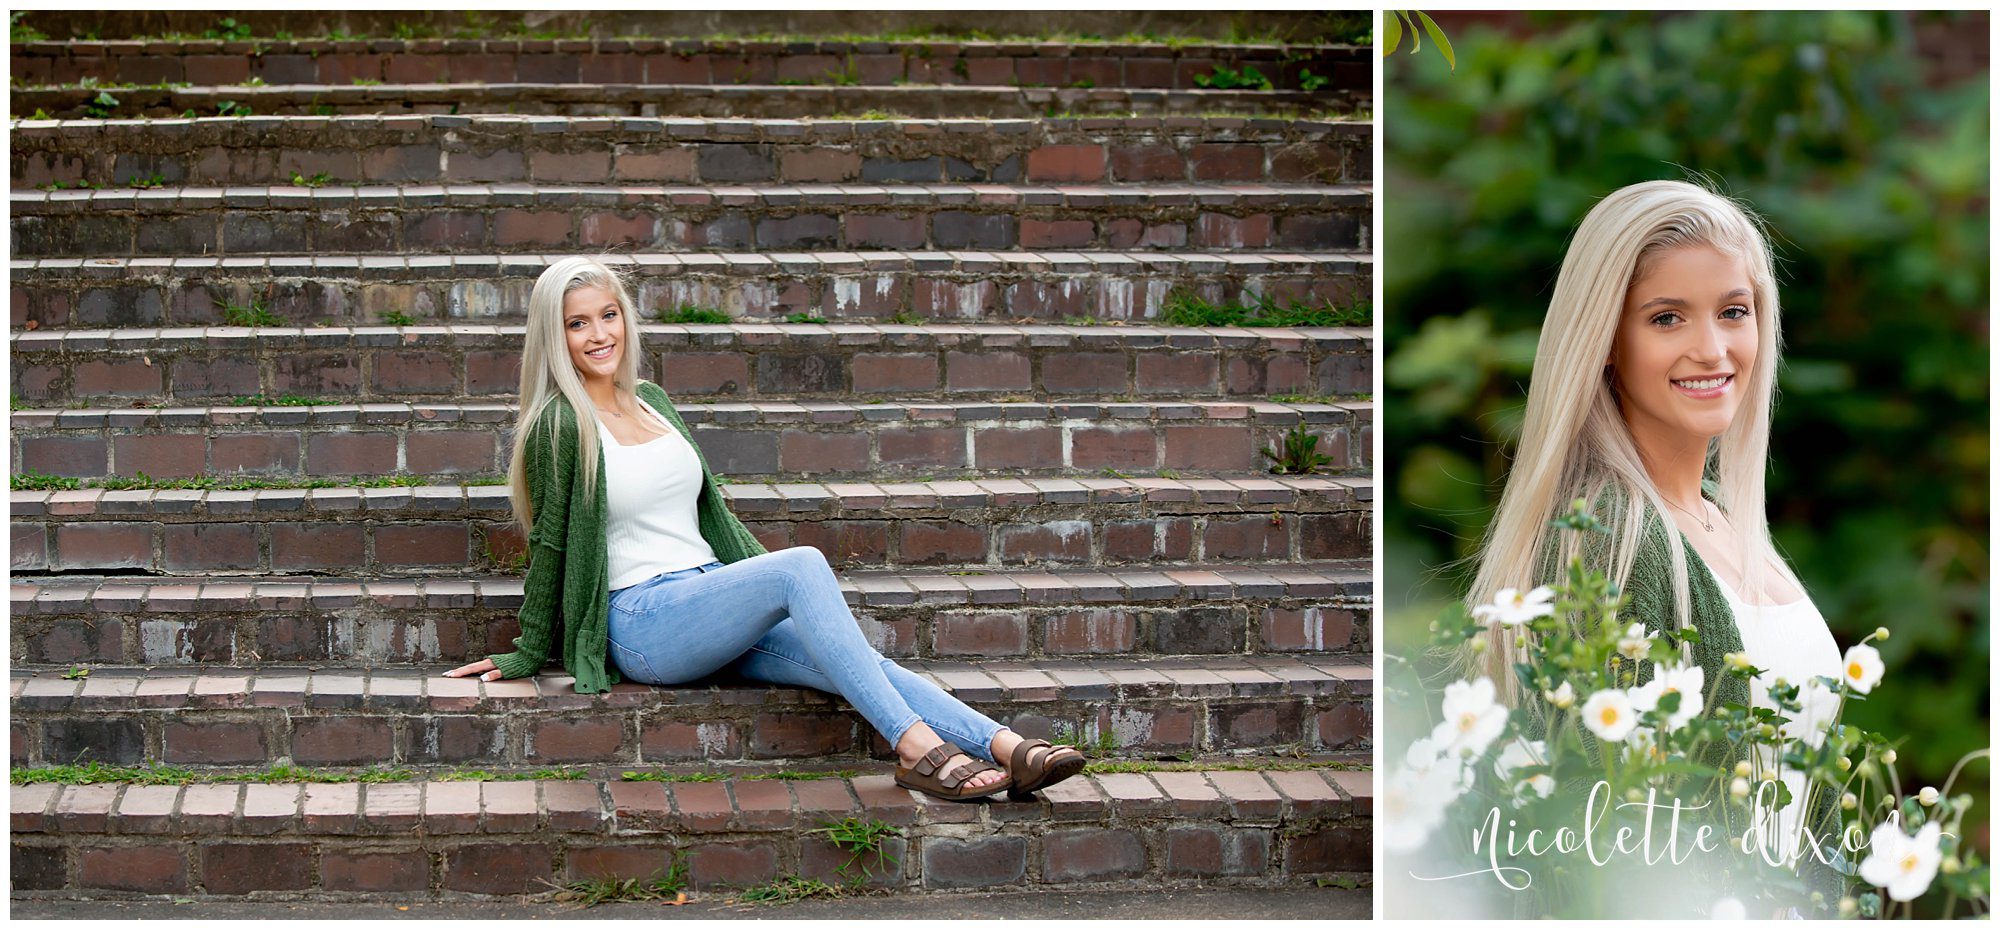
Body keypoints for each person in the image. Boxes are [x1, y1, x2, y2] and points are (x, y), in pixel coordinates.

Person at [444, 257, 1084, 802]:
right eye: (576, 323)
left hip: (708, 597)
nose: (598, 333)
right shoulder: (560, 426)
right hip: (642, 623)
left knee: (857, 658)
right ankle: (917, 750)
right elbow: (552, 546)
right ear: (554, 338)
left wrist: (767, 597)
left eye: (607, 314)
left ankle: (1012, 748)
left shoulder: (654, 402)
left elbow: (708, 517)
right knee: (801, 564)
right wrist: (526, 653)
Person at [1462, 181, 1841, 865]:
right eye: (1667, 319)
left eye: (1733, 311)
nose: (1713, 349)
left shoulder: (1721, 519)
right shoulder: (1612, 539)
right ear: (1606, 338)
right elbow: (1621, 842)